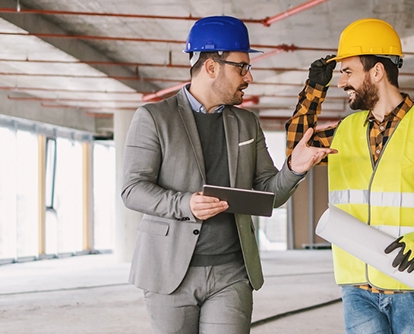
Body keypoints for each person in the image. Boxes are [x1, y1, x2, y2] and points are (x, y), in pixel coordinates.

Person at [122, 15, 334, 334]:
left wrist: (294, 168)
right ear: (211, 67)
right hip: (169, 272)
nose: (248, 77)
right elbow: (133, 189)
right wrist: (185, 204)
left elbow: (268, 195)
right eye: (241, 67)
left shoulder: (246, 123)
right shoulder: (154, 117)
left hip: (232, 273)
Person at [285, 18, 414, 334]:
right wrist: (315, 89)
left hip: (412, 281)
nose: (341, 82)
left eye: (347, 72)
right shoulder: (346, 130)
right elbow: (297, 148)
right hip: (357, 286)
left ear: (377, 72)